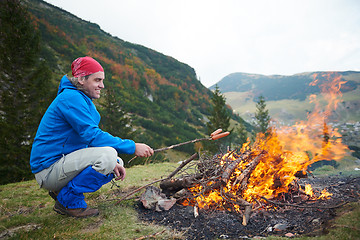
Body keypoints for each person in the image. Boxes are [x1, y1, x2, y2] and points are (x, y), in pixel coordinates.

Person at [30, 56, 154, 218]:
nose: (102, 85)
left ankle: (63, 192)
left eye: (102, 80)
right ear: (81, 79)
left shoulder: (79, 98)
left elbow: (84, 140)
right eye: (97, 80)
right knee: (108, 155)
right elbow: (92, 136)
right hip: (48, 170)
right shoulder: (70, 98)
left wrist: (112, 162)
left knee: (116, 161)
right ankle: (68, 201)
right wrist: (133, 146)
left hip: (59, 164)